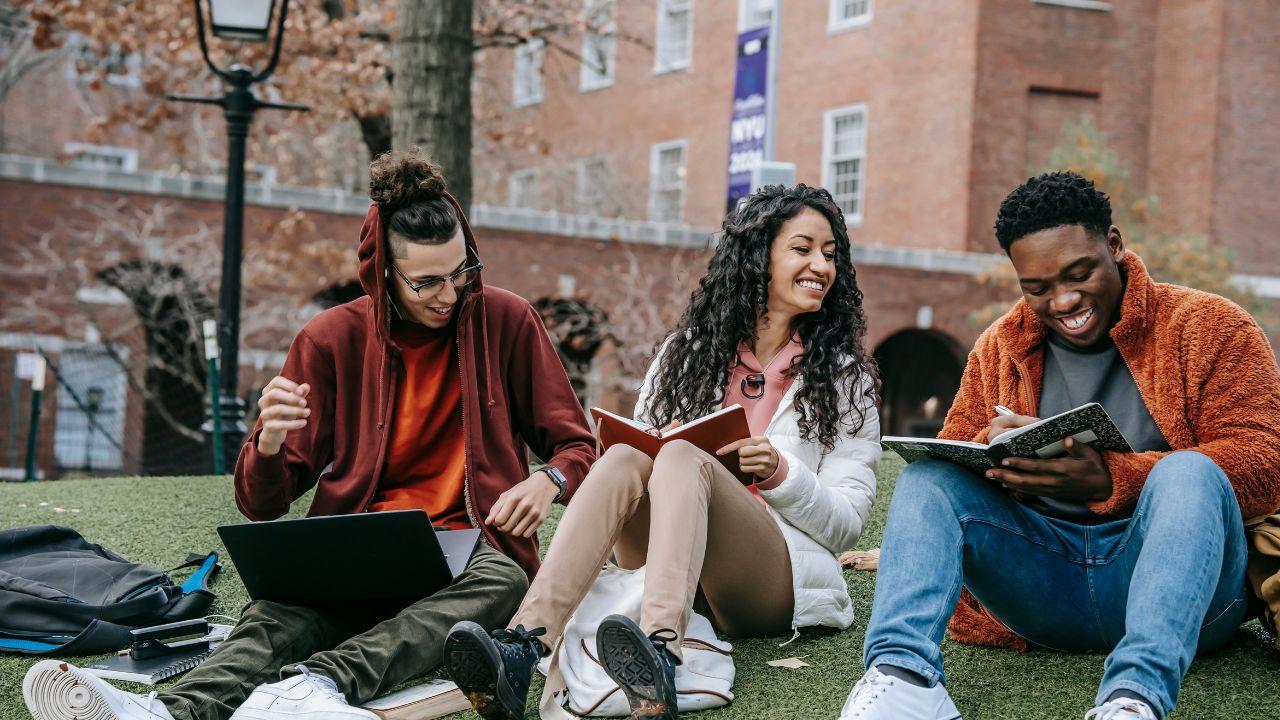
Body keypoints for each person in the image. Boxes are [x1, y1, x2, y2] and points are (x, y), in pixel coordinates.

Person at [21, 149, 595, 720]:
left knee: (504, 581)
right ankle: (165, 712)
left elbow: (579, 447)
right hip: (356, 548)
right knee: (277, 615)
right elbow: (262, 503)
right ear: (383, 272)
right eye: (426, 282)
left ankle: (316, 685)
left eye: (461, 271)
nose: (450, 293)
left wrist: (548, 479)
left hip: (470, 551)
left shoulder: (508, 320)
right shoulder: (329, 339)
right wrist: (268, 443)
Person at [840, 172, 1280, 720]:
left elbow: (1266, 462)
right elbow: (954, 456)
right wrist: (994, 450)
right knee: (928, 478)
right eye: (1038, 287)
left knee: (1190, 472)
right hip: (1043, 589)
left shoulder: (1212, 327)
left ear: (1114, 245)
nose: (1064, 300)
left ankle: (1134, 699)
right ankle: (903, 678)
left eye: (1079, 274)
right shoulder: (1000, 345)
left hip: (1186, 596)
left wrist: (1114, 478)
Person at [442, 184, 882, 720]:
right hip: (668, 564)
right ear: (757, 257)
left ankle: (660, 655)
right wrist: (657, 441)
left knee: (682, 457)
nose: (821, 266)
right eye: (803, 249)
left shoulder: (844, 379)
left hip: (768, 581)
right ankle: (522, 644)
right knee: (628, 457)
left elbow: (847, 524)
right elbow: (640, 454)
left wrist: (780, 472)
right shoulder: (687, 352)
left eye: (830, 254)